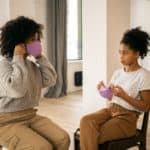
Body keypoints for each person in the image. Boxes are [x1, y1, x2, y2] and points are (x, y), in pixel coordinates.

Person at [0, 16, 70, 150]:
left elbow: (50, 79)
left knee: (63, 139)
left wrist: (39, 57)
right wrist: (18, 57)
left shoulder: (30, 65)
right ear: (18, 42)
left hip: (30, 116)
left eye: (38, 39)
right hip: (5, 121)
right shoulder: (3, 65)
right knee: (41, 147)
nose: (37, 43)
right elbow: (17, 90)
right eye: (33, 40)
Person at [80, 27, 150, 150]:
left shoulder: (144, 75)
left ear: (137, 53)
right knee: (86, 121)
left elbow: (145, 106)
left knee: (92, 134)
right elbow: (110, 96)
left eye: (125, 53)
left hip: (126, 119)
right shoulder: (118, 73)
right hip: (110, 111)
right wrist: (103, 90)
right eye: (120, 52)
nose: (121, 57)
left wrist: (124, 96)